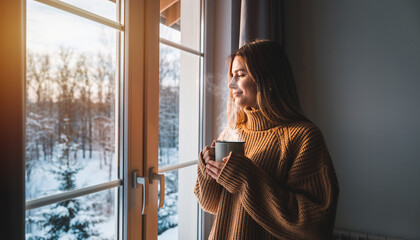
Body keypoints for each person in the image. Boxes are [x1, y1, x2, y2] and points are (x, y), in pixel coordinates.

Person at [194, 39, 339, 239]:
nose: (231, 84)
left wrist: (246, 177)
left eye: (240, 75)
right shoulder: (233, 130)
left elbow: (315, 226)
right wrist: (207, 168)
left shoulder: (303, 137)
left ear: (267, 79)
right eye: (231, 75)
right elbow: (212, 204)